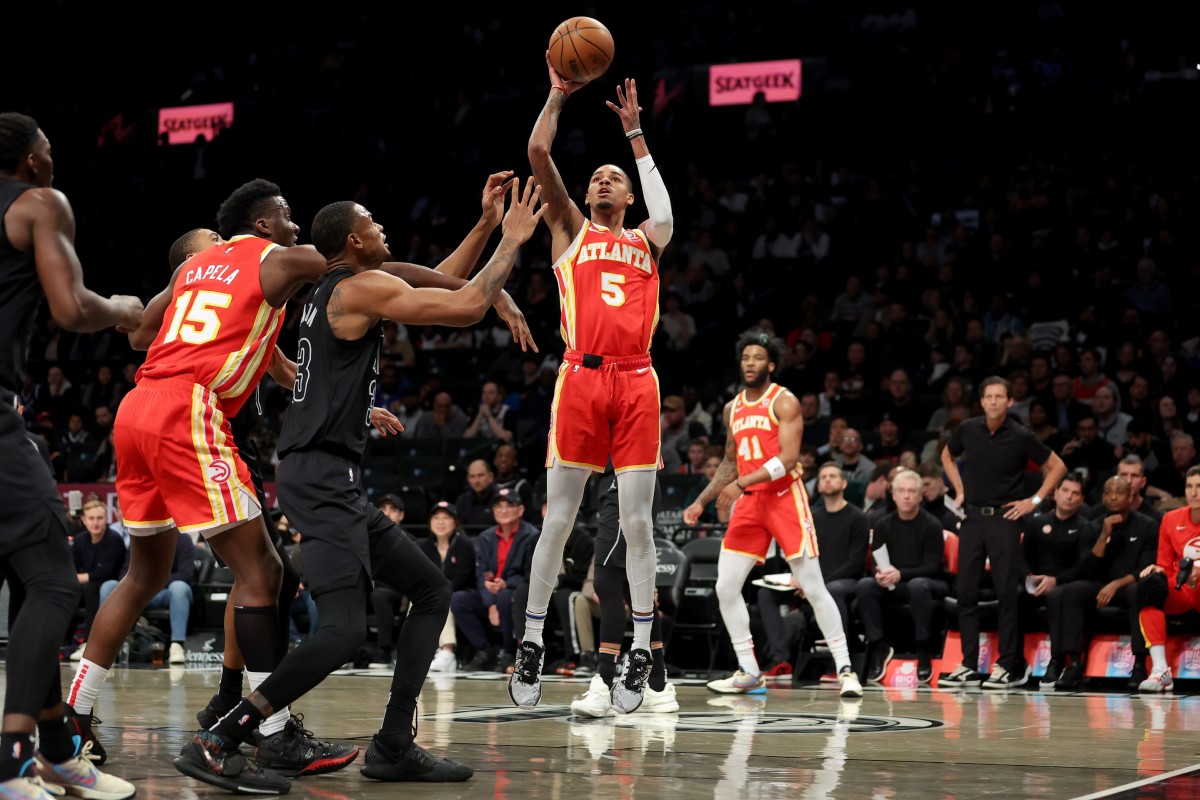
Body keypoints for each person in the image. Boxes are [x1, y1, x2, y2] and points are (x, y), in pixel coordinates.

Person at [196, 181, 544, 786]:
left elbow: (439, 279)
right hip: (321, 476)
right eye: (374, 222)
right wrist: (512, 243)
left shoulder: (334, 288)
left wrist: (487, 227)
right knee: (345, 630)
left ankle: (392, 743)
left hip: (330, 473)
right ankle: (224, 734)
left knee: (432, 591)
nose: (384, 227)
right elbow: (463, 305)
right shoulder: (357, 288)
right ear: (354, 241)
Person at [508, 64, 675, 714]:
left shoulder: (647, 241)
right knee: (558, 517)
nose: (604, 181)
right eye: (597, 177)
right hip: (580, 374)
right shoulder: (570, 231)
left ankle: (637, 649)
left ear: (628, 197)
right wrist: (556, 88)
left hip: (637, 380)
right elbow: (538, 152)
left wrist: (635, 136)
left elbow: (666, 210)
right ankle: (529, 641)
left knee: (636, 523)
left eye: (616, 180)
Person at [0, 110, 140, 800]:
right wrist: (122, 308)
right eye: (48, 149)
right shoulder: (39, 203)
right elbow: (69, 305)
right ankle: (12, 762)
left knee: (32, 582)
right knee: (56, 583)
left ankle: (57, 752)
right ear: (29, 160)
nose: (53, 160)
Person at [682, 330, 863, 699]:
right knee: (725, 587)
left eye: (757, 357)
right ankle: (749, 671)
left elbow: (788, 458)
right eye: (745, 357)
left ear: (772, 364)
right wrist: (702, 499)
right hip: (750, 501)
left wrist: (741, 484)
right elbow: (730, 462)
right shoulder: (732, 408)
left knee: (811, 585)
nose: (750, 363)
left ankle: (845, 669)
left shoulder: (784, 401)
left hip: (783, 496)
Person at [939, 376, 1067, 689]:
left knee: (1006, 594)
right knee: (965, 592)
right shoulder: (968, 429)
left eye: (1000, 397)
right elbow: (946, 454)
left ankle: (1009, 664)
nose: (994, 401)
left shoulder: (1021, 435)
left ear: (1010, 402)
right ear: (981, 401)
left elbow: (1058, 467)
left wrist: (1033, 501)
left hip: (1005, 519)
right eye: (989, 396)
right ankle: (969, 664)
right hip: (971, 518)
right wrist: (958, 489)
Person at [570, 463, 677, 718]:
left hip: (624, 475)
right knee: (633, 588)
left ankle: (605, 685)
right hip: (632, 475)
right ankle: (658, 686)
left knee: (607, 582)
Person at [754, 463, 868, 677]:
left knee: (833, 590)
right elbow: (797, 551)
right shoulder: (810, 518)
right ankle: (781, 658)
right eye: (823, 476)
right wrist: (800, 577)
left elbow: (856, 563)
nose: (827, 480)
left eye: (833, 476)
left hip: (844, 582)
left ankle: (840, 664)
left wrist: (815, 584)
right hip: (809, 580)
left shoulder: (858, 518)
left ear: (843, 483)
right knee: (765, 593)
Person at [1044, 475, 1156, 691]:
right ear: (1103, 496)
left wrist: (1115, 585)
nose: (1113, 497)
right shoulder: (1094, 525)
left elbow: (1146, 567)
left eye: (1119, 492)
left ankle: (1140, 664)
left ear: (1131, 495)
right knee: (1073, 590)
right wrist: (1104, 534)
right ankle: (1074, 664)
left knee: (1137, 590)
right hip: (1100, 586)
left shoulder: (1147, 525)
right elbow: (1086, 568)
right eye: (1108, 492)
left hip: (1129, 584)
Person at [857, 469, 948, 684]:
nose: (906, 496)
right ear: (893, 495)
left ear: (919, 495)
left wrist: (900, 574)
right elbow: (876, 564)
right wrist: (879, 574)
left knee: (918, 586)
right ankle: (878, 646)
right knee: (865, 585)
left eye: (911, 491)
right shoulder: (882, 524)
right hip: (894, 582)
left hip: (927, 582)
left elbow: (933, 566)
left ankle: (923, 648)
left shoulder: (932, 525)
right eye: (901, 491)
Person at [453, 487, 540, 672]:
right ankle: (484, 649)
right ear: (493, 512)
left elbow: (529, 572)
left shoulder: (531, 536)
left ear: (521, 510)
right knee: (458, 599)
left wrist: (506, 584)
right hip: (490, 595)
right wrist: (490, 603)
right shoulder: (486, 537)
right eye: (498, 506)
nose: (503, 510)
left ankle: (509, 651)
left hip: (516, 594)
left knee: (506, 596)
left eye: (509, 505)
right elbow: (481, 573)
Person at [1021, 472, 1091, 689]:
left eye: (1075, 493)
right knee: (1012, 594)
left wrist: (1055, 580)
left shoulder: (1085, 527)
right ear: (1056, 492)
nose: (1069, 497)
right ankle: (1012, 661)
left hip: (1065, 583)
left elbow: (1083, 567)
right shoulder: (1037, 522)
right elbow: (1023, 556)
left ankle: (1056, 660)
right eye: (1066, 491)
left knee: (1056, 595)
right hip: (1037, 583)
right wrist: (1029, 578)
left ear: (1081, 499)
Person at [1134, 466, 1200, 693]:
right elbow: (1164, 563)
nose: (1194, 492)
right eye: (1190, 486)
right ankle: (1161, 670)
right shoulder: (1170, 519)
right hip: (1182, 586)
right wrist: (1157, 569)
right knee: (1148, 588)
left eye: (1199, 487)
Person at [99, 530, 196, 664]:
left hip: (165, 592)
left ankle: (177, 644)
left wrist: (154, 583)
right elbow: (125, 573)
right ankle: (104, 644)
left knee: (180, 587)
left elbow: (185, 574)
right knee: (109, 586)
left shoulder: (183, 539)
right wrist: (141, 585)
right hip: (140, 591)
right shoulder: (139, 539)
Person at [416, 501, 478, 673]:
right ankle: (418, 652)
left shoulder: (464, 545)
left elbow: (463, 578)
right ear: (430, 522)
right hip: (432, 594)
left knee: (445, 598)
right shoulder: (424, 546)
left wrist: (439, 590)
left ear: (454, 522)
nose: (441, 522)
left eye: (446, 518)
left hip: (460, 593)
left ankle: (447, 652)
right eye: (436, 518)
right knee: (418, 601)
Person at [69, 497, 126, 656]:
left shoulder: (114, 539)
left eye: (99, 518)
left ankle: (88, 643)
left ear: (106, 519)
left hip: (111, 586)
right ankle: (63, 641)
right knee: (66, 589)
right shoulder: (80, 540)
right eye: (91, 518)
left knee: (91, 588)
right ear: (84, 520)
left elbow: (106, 572)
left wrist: (79, 577)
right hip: (86, 584)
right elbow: (71, 566)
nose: (95, 523)